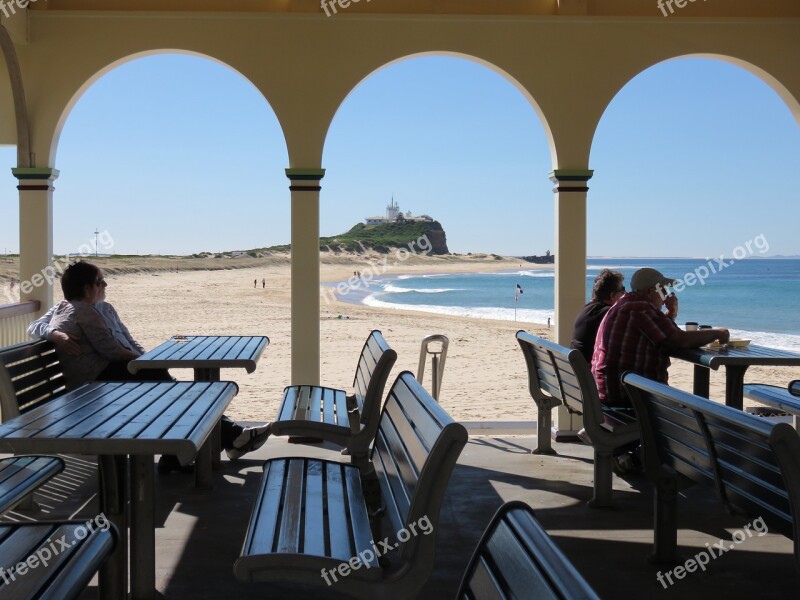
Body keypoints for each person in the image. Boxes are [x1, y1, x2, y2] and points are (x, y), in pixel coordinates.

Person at [28, 261, 271, 468]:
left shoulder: (102, 308)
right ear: (87, 287)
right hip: (96, 387)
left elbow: (127, 339)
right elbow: (109, 350)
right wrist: (55, 334)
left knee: (170, 389)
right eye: (100, 281)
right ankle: (224, 438)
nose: (105, 285)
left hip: (106, 379)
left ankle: (220, 439)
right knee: (172, 392)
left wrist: (144, 358)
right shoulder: (79, 310)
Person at [592, 267, 730, 409]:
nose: (665, 296)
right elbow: (679, 340)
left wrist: (671, 313)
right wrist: (718, 333)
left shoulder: (627, 303)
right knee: (701, 409)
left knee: (693, 406)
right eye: (663, 290)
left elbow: (660, 334)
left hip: (616, 392)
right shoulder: (639, 307)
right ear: (650, 291)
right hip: (629, 398)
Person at [570, 269, 625, 364]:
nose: (625, 294)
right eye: (622, 290)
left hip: (576, 371)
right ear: (612, 295)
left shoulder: (587, 309)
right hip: (589, 375)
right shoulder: (609, 314)